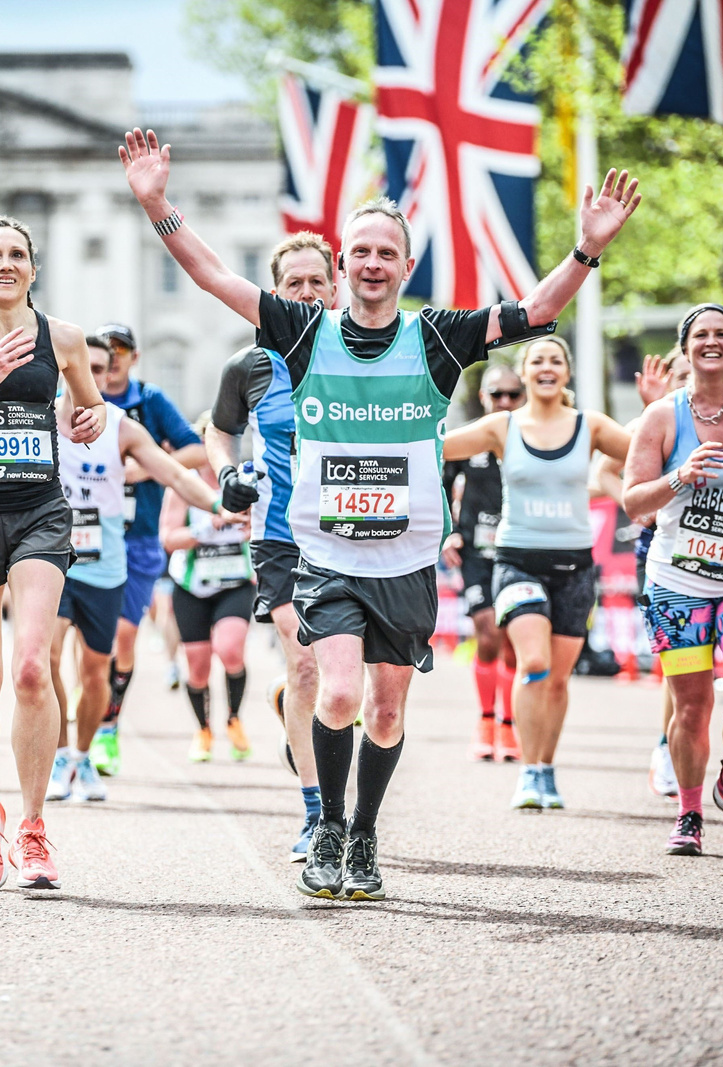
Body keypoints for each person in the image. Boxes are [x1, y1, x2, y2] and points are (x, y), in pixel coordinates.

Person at [119, 125, 640, 899]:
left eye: (384, 253)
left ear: (403, 266)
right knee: (334, 691)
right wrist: (158, 204)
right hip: (324, 553)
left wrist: (587, 249)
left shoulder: (435, 337)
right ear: (341, 265)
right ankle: (327, 824)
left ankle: (364, 834)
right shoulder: (301, 332)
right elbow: (214, 277)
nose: (370, 264)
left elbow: (533, 310)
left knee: (387, 710)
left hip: (405, 559)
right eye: (358, 251)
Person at [0, 216, 106, 891]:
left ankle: (34, 824)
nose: (5, 263)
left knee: (29, 667)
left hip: (39, 513)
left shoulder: (64, 338)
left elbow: (90, 406)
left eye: (17, 253)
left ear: (33, 266)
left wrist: (89, 416)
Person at [444, 337, 630, 810]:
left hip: (575, 566)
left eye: (556, 361)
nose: (547, 367)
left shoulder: (592, 426)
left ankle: (546, 768)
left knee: (558, 681)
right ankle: (527, 771)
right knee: (533, 665)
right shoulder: (501, 426)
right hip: (517, 560)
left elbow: (651, 450)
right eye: (538, 361)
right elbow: (435, 447)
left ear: (566, 373)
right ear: (525, 373)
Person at [46, 339, 233, 803]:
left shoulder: (122, 428)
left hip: (103, 564)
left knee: (95, 671)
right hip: (49, 558)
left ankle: (81, 756)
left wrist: (219, 505)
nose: (86, 376)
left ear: (110, 375)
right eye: (79, 366)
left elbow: (174, 472)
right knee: (41, 662)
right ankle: (56, 754)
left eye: (98, 369)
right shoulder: (41, 418)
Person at [205, 231, 337, 861]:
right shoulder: (251, 364)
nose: (307, 294)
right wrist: (227, 473)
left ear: (335, 287)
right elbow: (219, 430)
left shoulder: (368, 354)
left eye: (317, 282)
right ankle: (318, 813)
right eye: (294, 285)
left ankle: (293, 703)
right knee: (307, 661)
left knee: (345, 681)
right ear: (276, 294)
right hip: (281, 534)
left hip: (357, 532)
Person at [624, 303, 723, 856]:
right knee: (690, 707)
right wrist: (679, 476)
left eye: (722, 334)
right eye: (700, 335)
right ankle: (688, 812)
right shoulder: (662, 418)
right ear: (686, 349)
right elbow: (633, 500)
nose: (711, 342)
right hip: (677, 581)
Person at [90, 322, 205, 777]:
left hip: (136, 536)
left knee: (122, 637)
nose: (113, 357)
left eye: (121, 350)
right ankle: (75, 732)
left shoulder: (149, 401)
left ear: (134, 357)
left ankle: (107, 727)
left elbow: (195, 451)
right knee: (77, 645)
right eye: (105, 350)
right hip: (82, 534)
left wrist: (145, 469)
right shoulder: (79, 397)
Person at [597, 349, 691, 798]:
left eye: (694, 373)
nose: (689, 381)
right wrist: (641, 508)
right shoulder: (654, 421)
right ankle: (667, 744)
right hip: (660, 550)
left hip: (722, 552)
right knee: (682, 658)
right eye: (681, 374)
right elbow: (603, 474)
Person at [160, 413, 254, 763]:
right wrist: (207, 528)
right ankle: (203, 730)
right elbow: (168, 538)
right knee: (197, 667)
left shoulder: (245, 481)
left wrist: (249, 529)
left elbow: (264, 525)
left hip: (235, 582)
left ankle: (233, 719)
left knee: (230, 651)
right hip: (192, 586)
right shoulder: (184, 485)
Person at [441, 363, 524, 762]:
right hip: (476, 549)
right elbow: (438, 483)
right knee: (487, 632)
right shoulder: (471, 438)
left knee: (510, 639)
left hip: (518, 550)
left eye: (513, 394)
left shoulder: (530, 437)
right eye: (497, 394)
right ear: (483, 397)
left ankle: (509, 726)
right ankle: (486, 720)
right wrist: (447, 532)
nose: (504, 401)